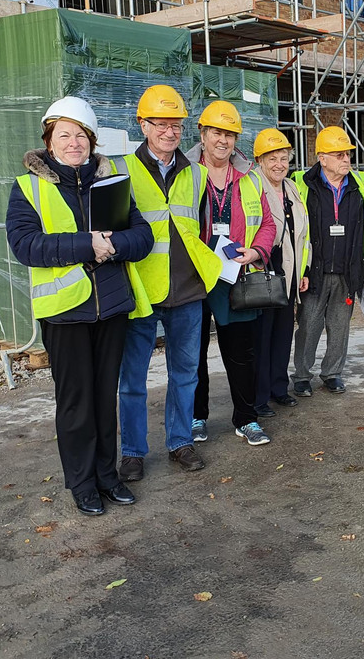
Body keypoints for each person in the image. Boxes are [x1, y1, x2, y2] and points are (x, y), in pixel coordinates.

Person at [6, 97, 153, 516]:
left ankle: (108, 477)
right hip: (66, 312)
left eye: (80, 136)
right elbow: (25, 245)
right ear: (49, 143)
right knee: (75, 402)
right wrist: (87, 243)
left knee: (105, 396)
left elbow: (140, 237)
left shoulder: (113, 182)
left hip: (110, 307)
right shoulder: (29, 187)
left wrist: (113, 244)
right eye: (63, 135)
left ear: (91, 141)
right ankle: (82, 483)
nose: (73, 143)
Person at [115, 85, 223, 481]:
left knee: (186, 373)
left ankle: (180, 442)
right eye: (160, 123)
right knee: (132, 379)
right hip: (140, 290)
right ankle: (132, 452)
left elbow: (200, 227)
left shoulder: (195, 173)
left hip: (188, 289)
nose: (169, 132)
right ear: (143, 125)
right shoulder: (121, 169)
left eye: (175, 124)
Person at [186, 101, 276, 446]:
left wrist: (256, 252)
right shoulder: (185, 173)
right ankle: (196, 417)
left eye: (229, 134)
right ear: (202, 134)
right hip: (193, 277)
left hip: (234, 277)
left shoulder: (249, 179)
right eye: (216, 132)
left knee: (242, 353)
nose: (222, 140)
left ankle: (247, 418)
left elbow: (267, 224)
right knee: (192, 354)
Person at [291, 125, 364, 396]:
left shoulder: (359, 186)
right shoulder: (302, 183)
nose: (346, 159)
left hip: (347, 270)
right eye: (338, 155)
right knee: (309, 325)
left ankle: (332, 373)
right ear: (322, 158)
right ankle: (301, 375)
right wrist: (299, 269)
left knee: (340, 327)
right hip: (315, 270)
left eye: (347, 154)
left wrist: (362, 268)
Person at [251, 128, 310, 414]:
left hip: (288, 274)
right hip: (263, 272)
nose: (279, 164)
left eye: (283, 158)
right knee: (262, 338)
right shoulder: (252, 186)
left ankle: (278, 388)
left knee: (283, 334)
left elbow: (302, 234)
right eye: (272, 158)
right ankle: (259, 397)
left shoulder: (291, 187)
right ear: (259, 160)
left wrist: (304, 270)